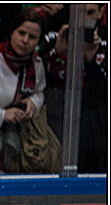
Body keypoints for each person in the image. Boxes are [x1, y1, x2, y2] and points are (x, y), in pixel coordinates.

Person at [0, 8, 55, 173]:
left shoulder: (37, 64)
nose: (25, 40)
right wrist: (2, 115)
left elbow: (40, 92)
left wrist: (34, 102)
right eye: (21, 33)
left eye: (32, 37)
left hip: (11, 148)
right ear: (12, 32)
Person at [44, 3, 106, 173]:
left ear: (101, 12)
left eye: (90, 13)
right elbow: (40, 81)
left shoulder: (104, 42)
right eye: (79, 13)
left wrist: (90, 61)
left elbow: (101, 92)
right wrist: (57, 52)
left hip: (97, 122)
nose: (83, 19)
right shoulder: (53, 37)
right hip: (57, 116)